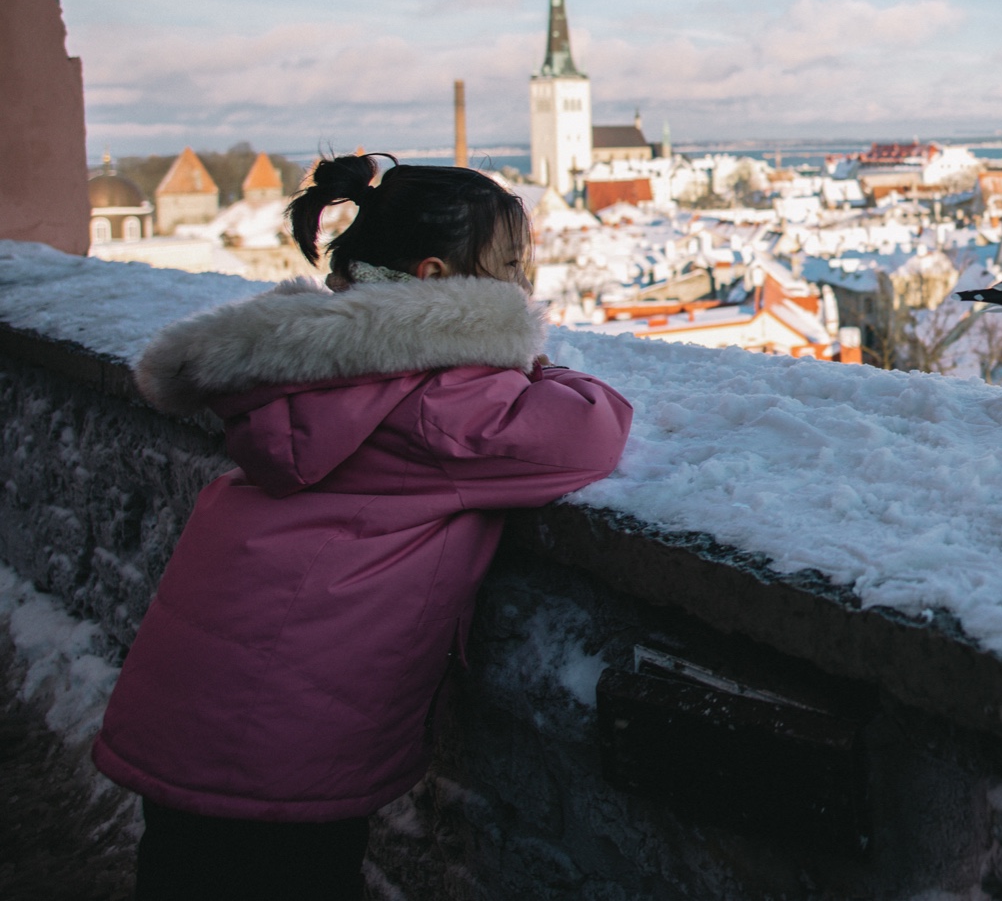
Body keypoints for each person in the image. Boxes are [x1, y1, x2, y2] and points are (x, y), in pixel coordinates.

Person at [93, 154, 633, 900]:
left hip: (198, 702)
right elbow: (589, 431)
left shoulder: (306, 355)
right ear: (441, 278)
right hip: (285, 734)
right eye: (511, 263)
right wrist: (526, 360)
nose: (526, 284)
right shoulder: (439, 396)